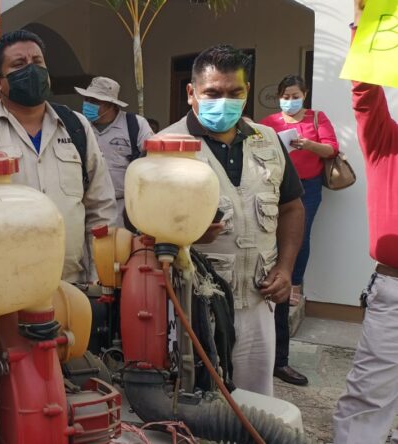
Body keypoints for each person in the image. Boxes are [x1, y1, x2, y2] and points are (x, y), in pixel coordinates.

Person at [160, 44, 305, 397]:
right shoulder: (165, 146)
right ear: (191, 93)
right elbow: (141, 229)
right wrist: (185, 235)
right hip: (195, 306)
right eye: (212, 93)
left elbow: (291, 207)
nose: (223, 102)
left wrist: (286, 268)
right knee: (199, 403)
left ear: (247, 92)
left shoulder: (267, 140)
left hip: (258, 301)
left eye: (234, 92)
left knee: (255, 404)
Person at [0, 30, 117, 285]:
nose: (32, 69)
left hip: (73, 286)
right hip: (2, 289)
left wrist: (99, 276)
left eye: (37, 62)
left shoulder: (76, 126)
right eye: (19, 64)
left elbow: (100, 206)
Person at [332, 2, 398, 442]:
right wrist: (366, 24)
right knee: (369, 399)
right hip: (395, 291)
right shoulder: (385, 141)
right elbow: (365, 91)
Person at [260, 74, 339, 387]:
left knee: (298, 238)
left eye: (294, 95)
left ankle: (293, 283)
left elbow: (331, 149)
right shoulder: (269, 122)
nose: (289, 100)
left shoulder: (316, 118)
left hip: (308, 186)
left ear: (304, 94)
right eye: (285, 95)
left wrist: (307, 144)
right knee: (272, 240)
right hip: (275, 185)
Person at [75, 76, 154, 226]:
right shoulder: (78, 126)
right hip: (86, 207)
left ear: (111, 104)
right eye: (86, 99)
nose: (88, 104)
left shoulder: (135, 124)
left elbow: (152, 161)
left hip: (124, 207)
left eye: (95, 101)